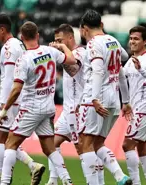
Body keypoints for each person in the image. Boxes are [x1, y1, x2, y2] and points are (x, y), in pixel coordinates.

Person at [0, 21, 75, 185]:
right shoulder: (50, 51)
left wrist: (4, 110)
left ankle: (4, 182)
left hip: (31, 108)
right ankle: (67, 181)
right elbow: (72, 60)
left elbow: (16, 89)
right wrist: (62, 47)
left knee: (10, 143)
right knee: (49, 148)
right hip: (48, 107)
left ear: (22, 37)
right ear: (37, 35)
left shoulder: (24, 59)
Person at [78, 9, 132, 185]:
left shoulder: (93, 44)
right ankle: (120, 176)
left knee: (84, 144)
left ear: (84, 29)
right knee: (98, 144)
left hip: (96, 99)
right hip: (114, 99)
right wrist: (126, 101)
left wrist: (94, 99)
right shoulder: (114, 41)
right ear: (101, 24)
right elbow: (123, 62)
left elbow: (98, 71)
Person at [0, 13, 44, 185]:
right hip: (19, 99)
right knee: (8, 141)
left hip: (10, 99)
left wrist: (4, 104)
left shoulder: (9, 47)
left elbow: (10, 80)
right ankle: (32, 165)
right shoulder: (19, 45)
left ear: (2, 29)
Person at [46, 24, 86, 185]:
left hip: (79, 109)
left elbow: (74, 69)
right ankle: (53, 180)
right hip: (67, 109)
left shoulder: (80, 53)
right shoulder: (66, 55)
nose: (57, 43)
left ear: (70, 38)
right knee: (51, 144)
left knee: (82, 149)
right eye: (55, 41)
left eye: (60, 40)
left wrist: (60, 52)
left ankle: (97, 180)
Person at [122, 26, 146, 185]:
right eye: (131, 38)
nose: (132, 41)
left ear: (145, 41)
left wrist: (142, 70)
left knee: (127, 145)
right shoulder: (131, 60)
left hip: (144, 110)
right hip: (137, 109)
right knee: (143, 149)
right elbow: (122, 79)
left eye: (136, 39)